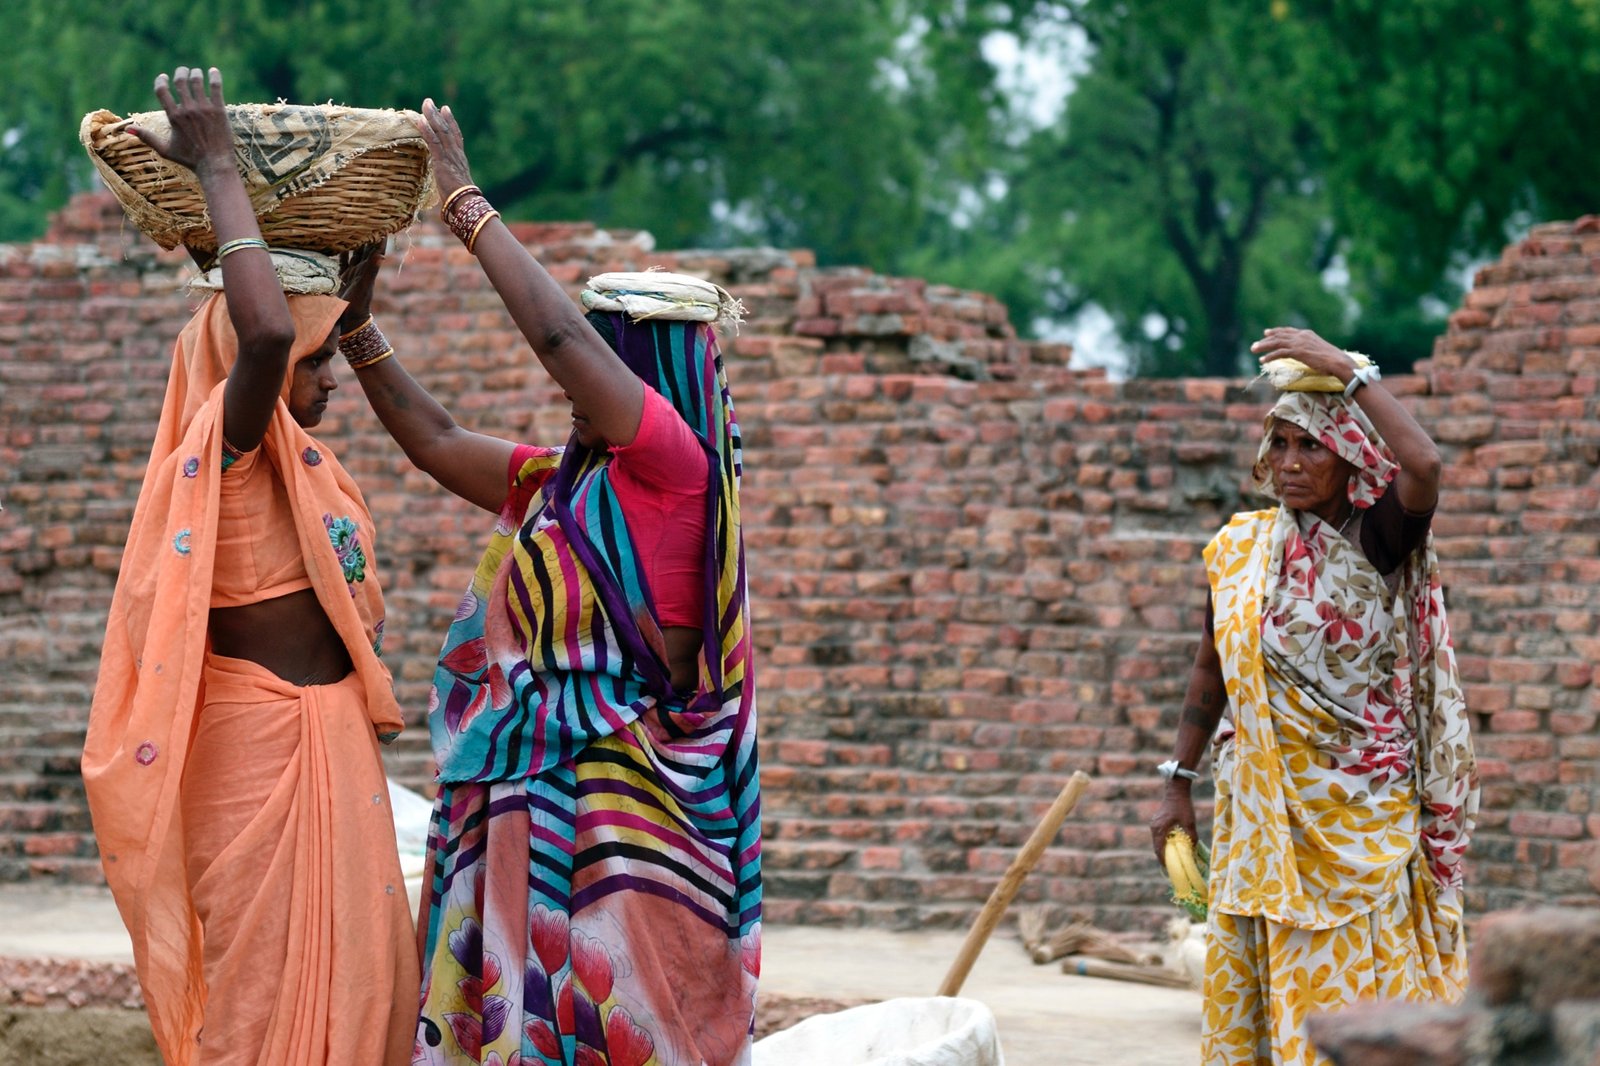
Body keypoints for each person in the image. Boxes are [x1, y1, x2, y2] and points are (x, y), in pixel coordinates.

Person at [334, 99, 761, 1065]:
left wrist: (467, 206)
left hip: (624, 817)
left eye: (616, 351)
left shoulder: (677, 470)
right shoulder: (566, 486)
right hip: (525, 797)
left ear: (649, 367)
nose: (589, 369)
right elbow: (436, 442)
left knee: (605, 1032)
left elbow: (562, 342)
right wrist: (360, 330)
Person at [81, 67, 419, 1065]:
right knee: (262, 999)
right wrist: (222, 165)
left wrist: (365, 249)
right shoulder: (223, 445)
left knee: (367, 976)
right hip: (253, 750)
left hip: (332, 742)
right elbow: (270, 329)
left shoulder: (295, 460)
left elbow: (316, 319)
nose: (330, 380)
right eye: (319, 367)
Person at [1149, 328, 1479, 1066]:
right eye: (1282, 446)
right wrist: (1177, 781)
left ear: (1350, 456)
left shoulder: (1376, 542)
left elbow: (1423, 462)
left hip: (1355, 815)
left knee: (1355, 985)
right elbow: (1213, 670)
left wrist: (1348, 372)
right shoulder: (1242, 550)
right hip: (1260, 810)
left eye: (1312, 447)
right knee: (1266, 983)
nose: (1291, 464)